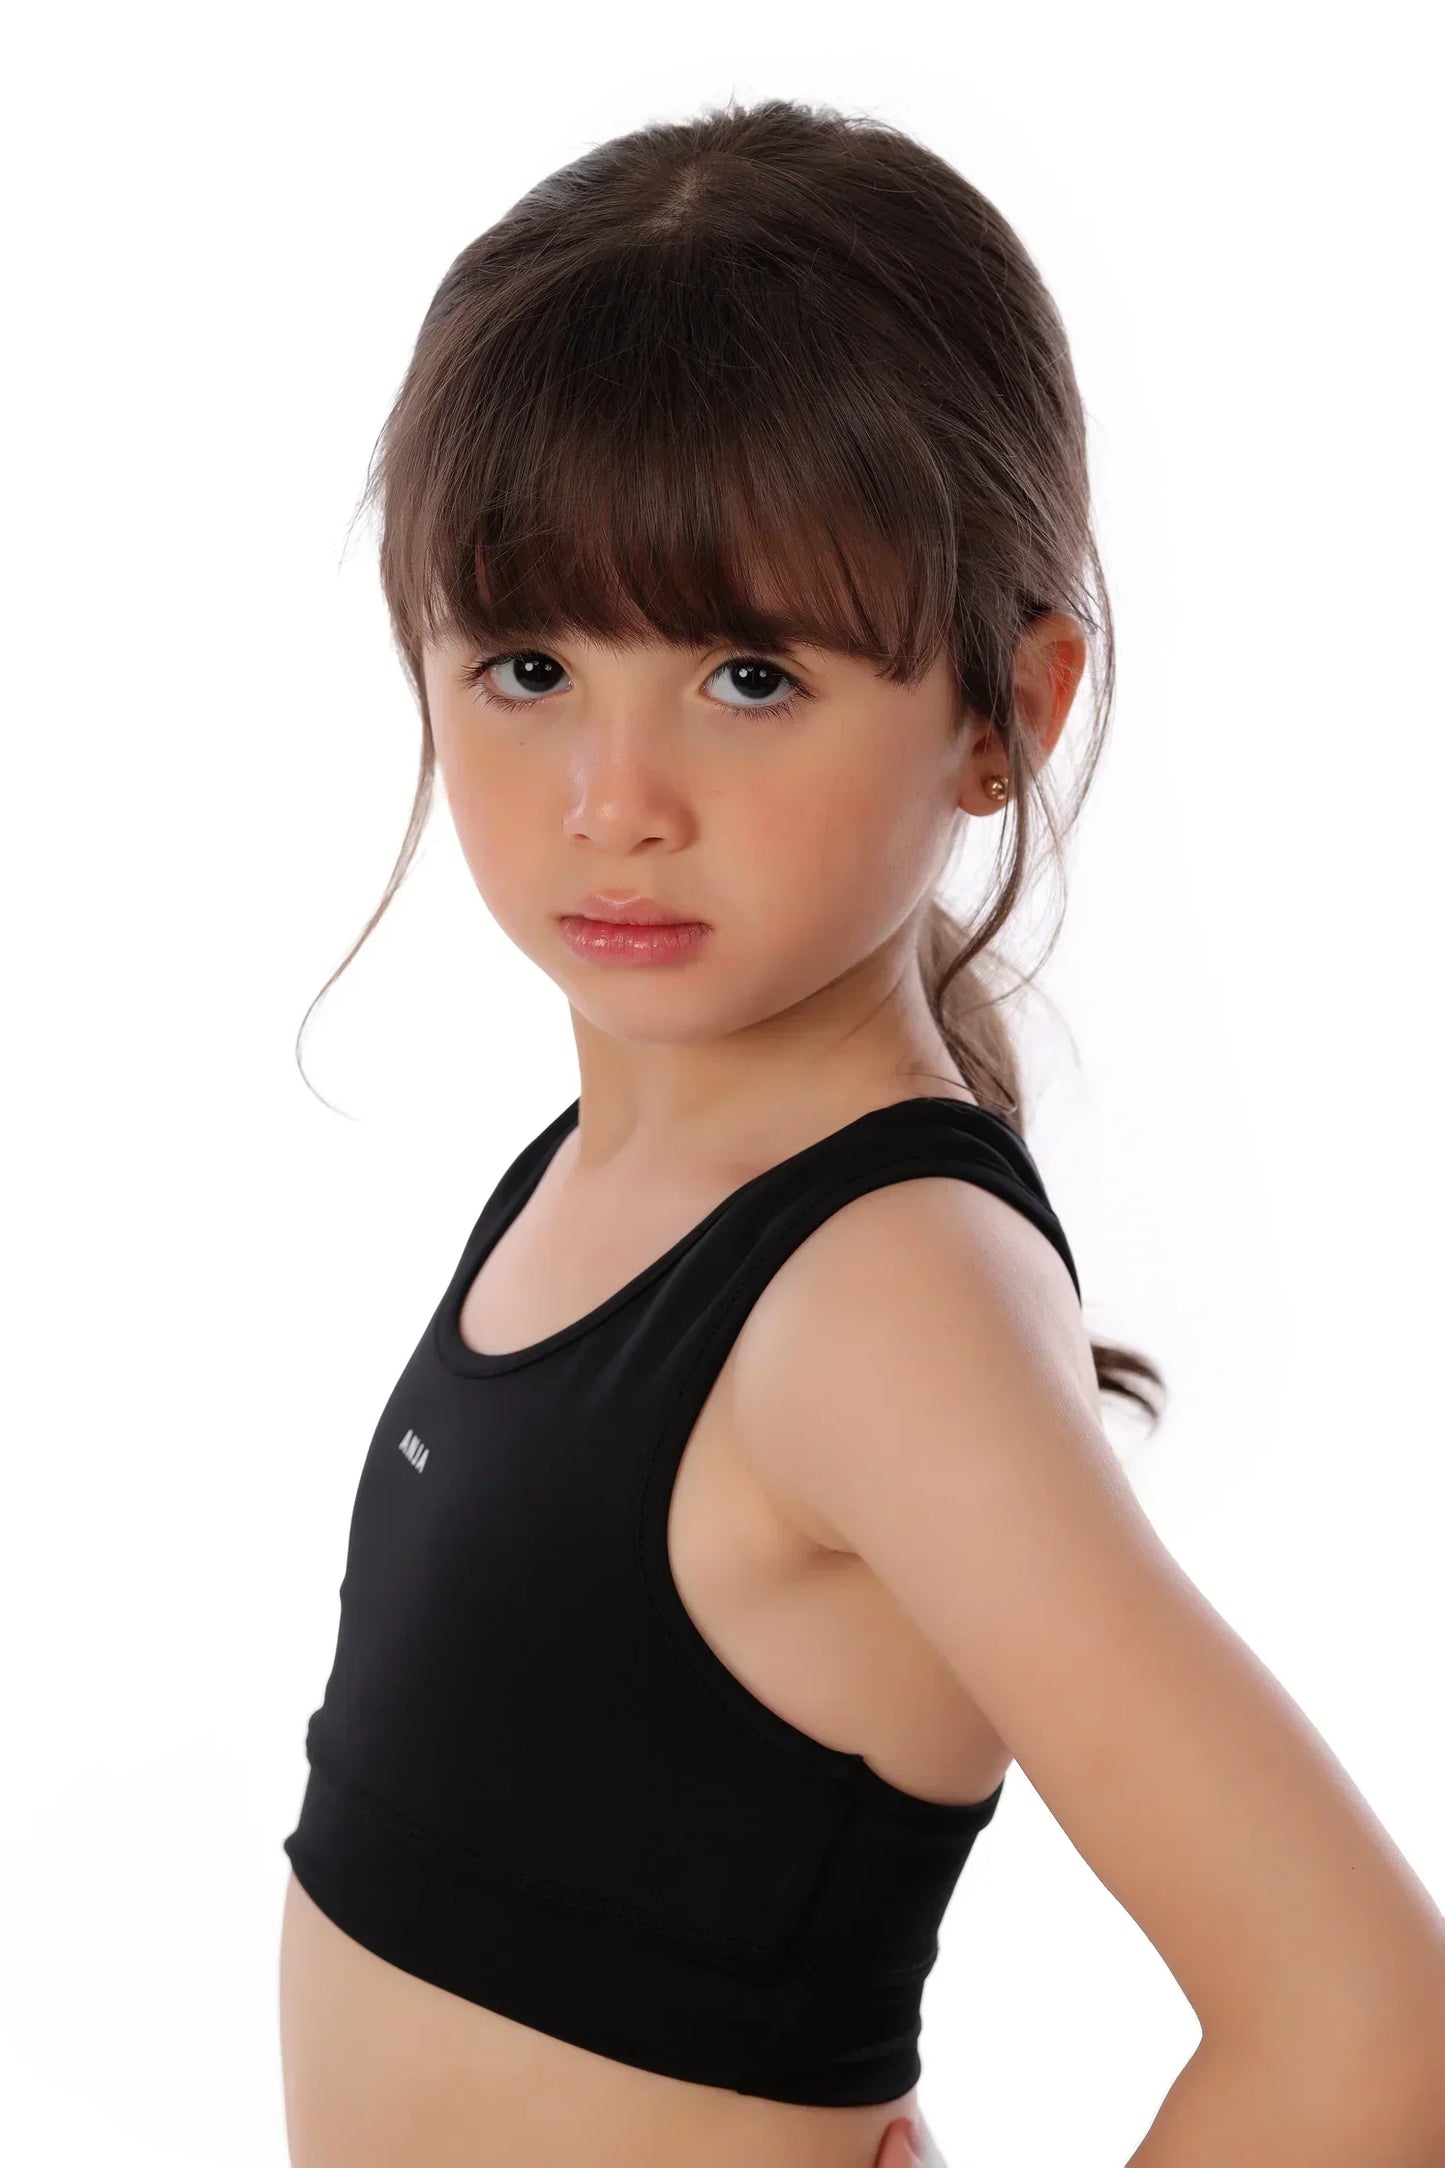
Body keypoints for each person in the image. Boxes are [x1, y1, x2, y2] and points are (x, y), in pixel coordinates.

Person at [276, 97, 1445, 2168]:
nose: (613, 798)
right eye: (533, 663)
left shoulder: (875, 1298)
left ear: (1005, 709)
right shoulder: (609, 1178)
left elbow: (1366, 2018)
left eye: (747, 675)